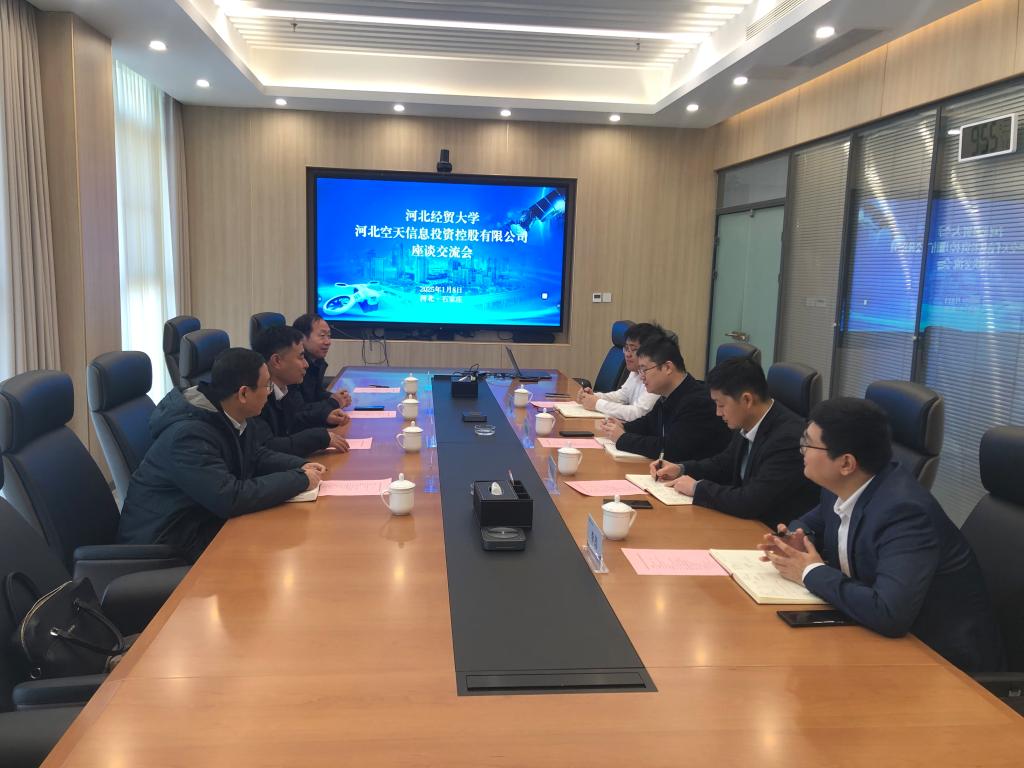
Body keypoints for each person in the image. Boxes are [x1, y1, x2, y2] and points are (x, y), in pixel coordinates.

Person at [759, 397, 1004, 673]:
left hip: (944, 664)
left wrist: (809, 571)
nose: (801, 449)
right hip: (877, 637)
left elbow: (889, 613)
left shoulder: (905, 513)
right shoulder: (842, 486)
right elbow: (810, 523)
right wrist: (798, 539)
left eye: (808, 443)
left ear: (846, 463)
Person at [118, 348, 324, 562]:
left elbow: (255, 455)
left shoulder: (231, 414)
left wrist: (300, 466)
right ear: (243, 394)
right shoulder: (188, 436)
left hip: (203, 526)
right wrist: (299, 480)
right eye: (267, 385)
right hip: (168, 548)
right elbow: (229, 497)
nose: (269, 392)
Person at [652, 357, 819, 528]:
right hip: (744, 524)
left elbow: (751, 501)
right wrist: (681, 469)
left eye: (721, 405)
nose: (718, 413)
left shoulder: (788, 439)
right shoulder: (749, 420)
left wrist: (697, 488)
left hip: (769, 531)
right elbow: (723, 463)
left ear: (747, 400)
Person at [598, 334, 731, 462]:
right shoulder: (669, 394)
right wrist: (623, 426)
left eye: (644, 370)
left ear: (667, 367)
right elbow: (648, 423)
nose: (641, 376)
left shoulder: (697, 403)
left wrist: (622, 438)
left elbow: (671, 449)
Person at [252, 325, 351, 457]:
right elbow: (268, 447)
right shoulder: (256, 397)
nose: (306, 364)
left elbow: (295, 421)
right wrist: (319, 438)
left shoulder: (284, 388)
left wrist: (325, 417)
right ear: (277, 361)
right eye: (301, 357)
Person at [576, 322, 662, 422]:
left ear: (648, 351)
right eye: (626, 348)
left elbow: (638, 413)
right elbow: (621, 396)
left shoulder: (656, 376)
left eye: (633, 349)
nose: (627, 354)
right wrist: (594, 397)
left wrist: (597, 404)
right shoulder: (636, 371)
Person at [293, 313, 352, 408]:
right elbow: (298, 410)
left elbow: (316, 394)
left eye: (329, 336)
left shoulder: (317, 361)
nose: (328, 342)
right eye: (322, 335)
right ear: (302, 338)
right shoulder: (293, 366)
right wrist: (334, 403)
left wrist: (335, 397)